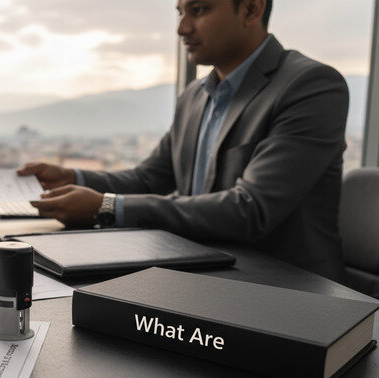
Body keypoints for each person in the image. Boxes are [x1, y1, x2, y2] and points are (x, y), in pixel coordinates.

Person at [18, 0, 348, 281]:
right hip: (202, 271)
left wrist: (106, 206)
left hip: (287, 288)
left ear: (250, 9)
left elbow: (250, 209)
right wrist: (74, 178)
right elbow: (151, 178)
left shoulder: (310, 86)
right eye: (179, 12)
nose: (182, 28)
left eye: (198, 10)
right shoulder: (195, 95)